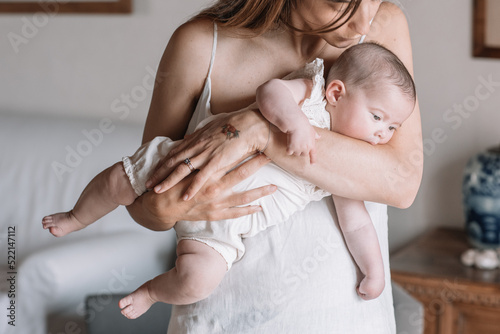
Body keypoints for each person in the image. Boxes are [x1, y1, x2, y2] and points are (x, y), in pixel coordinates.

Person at [42, 42, 416, 320]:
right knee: (117, 182)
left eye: (393, 127)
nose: (384, 134)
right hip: (183, 165)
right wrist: (294, 123)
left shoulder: (344, 166)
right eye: (378, 117)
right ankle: (76, 216)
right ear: (337, 94)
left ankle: (152, 292)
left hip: (222, 229)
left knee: (196, 281)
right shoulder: (313, 93)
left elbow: (357, 223)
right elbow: (269, 93)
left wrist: (375, 271)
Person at [123, 1, 422, 332]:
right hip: (220, 322)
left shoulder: (383, 26)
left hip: (345, 321)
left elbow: (402, 181)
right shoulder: (199, 44)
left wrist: (260, 131)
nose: (362, 22)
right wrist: (167, 205)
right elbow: (143, 201)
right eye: (340, 3)